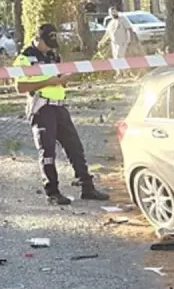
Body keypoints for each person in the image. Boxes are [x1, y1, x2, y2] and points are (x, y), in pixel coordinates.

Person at [13, 24, 110, 205]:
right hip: (42, 107)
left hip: (59, 106)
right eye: (47, 43)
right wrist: (49, 81)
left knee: (75, 147)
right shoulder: (25, 58)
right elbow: (20, 87)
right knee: (47, 151)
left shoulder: (53, 56)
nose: (50, 48)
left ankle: (87, 187)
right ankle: (52, 192)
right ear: (38, 39)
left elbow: (58, 79)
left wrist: (63, 80)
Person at [99, 7, 132, 76]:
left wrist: (129, 39)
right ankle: (120, 72)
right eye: (111, 13)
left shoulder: (122, 19)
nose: (113, 13)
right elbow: (107, 34)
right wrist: (101, 42)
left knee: (119, 56)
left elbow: (129, 29)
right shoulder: (111, 23)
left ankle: (124, 73)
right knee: (116, 58)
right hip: (114, 43)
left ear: (117, 12)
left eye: (114, 12)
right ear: (109, 14)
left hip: (122, 41)